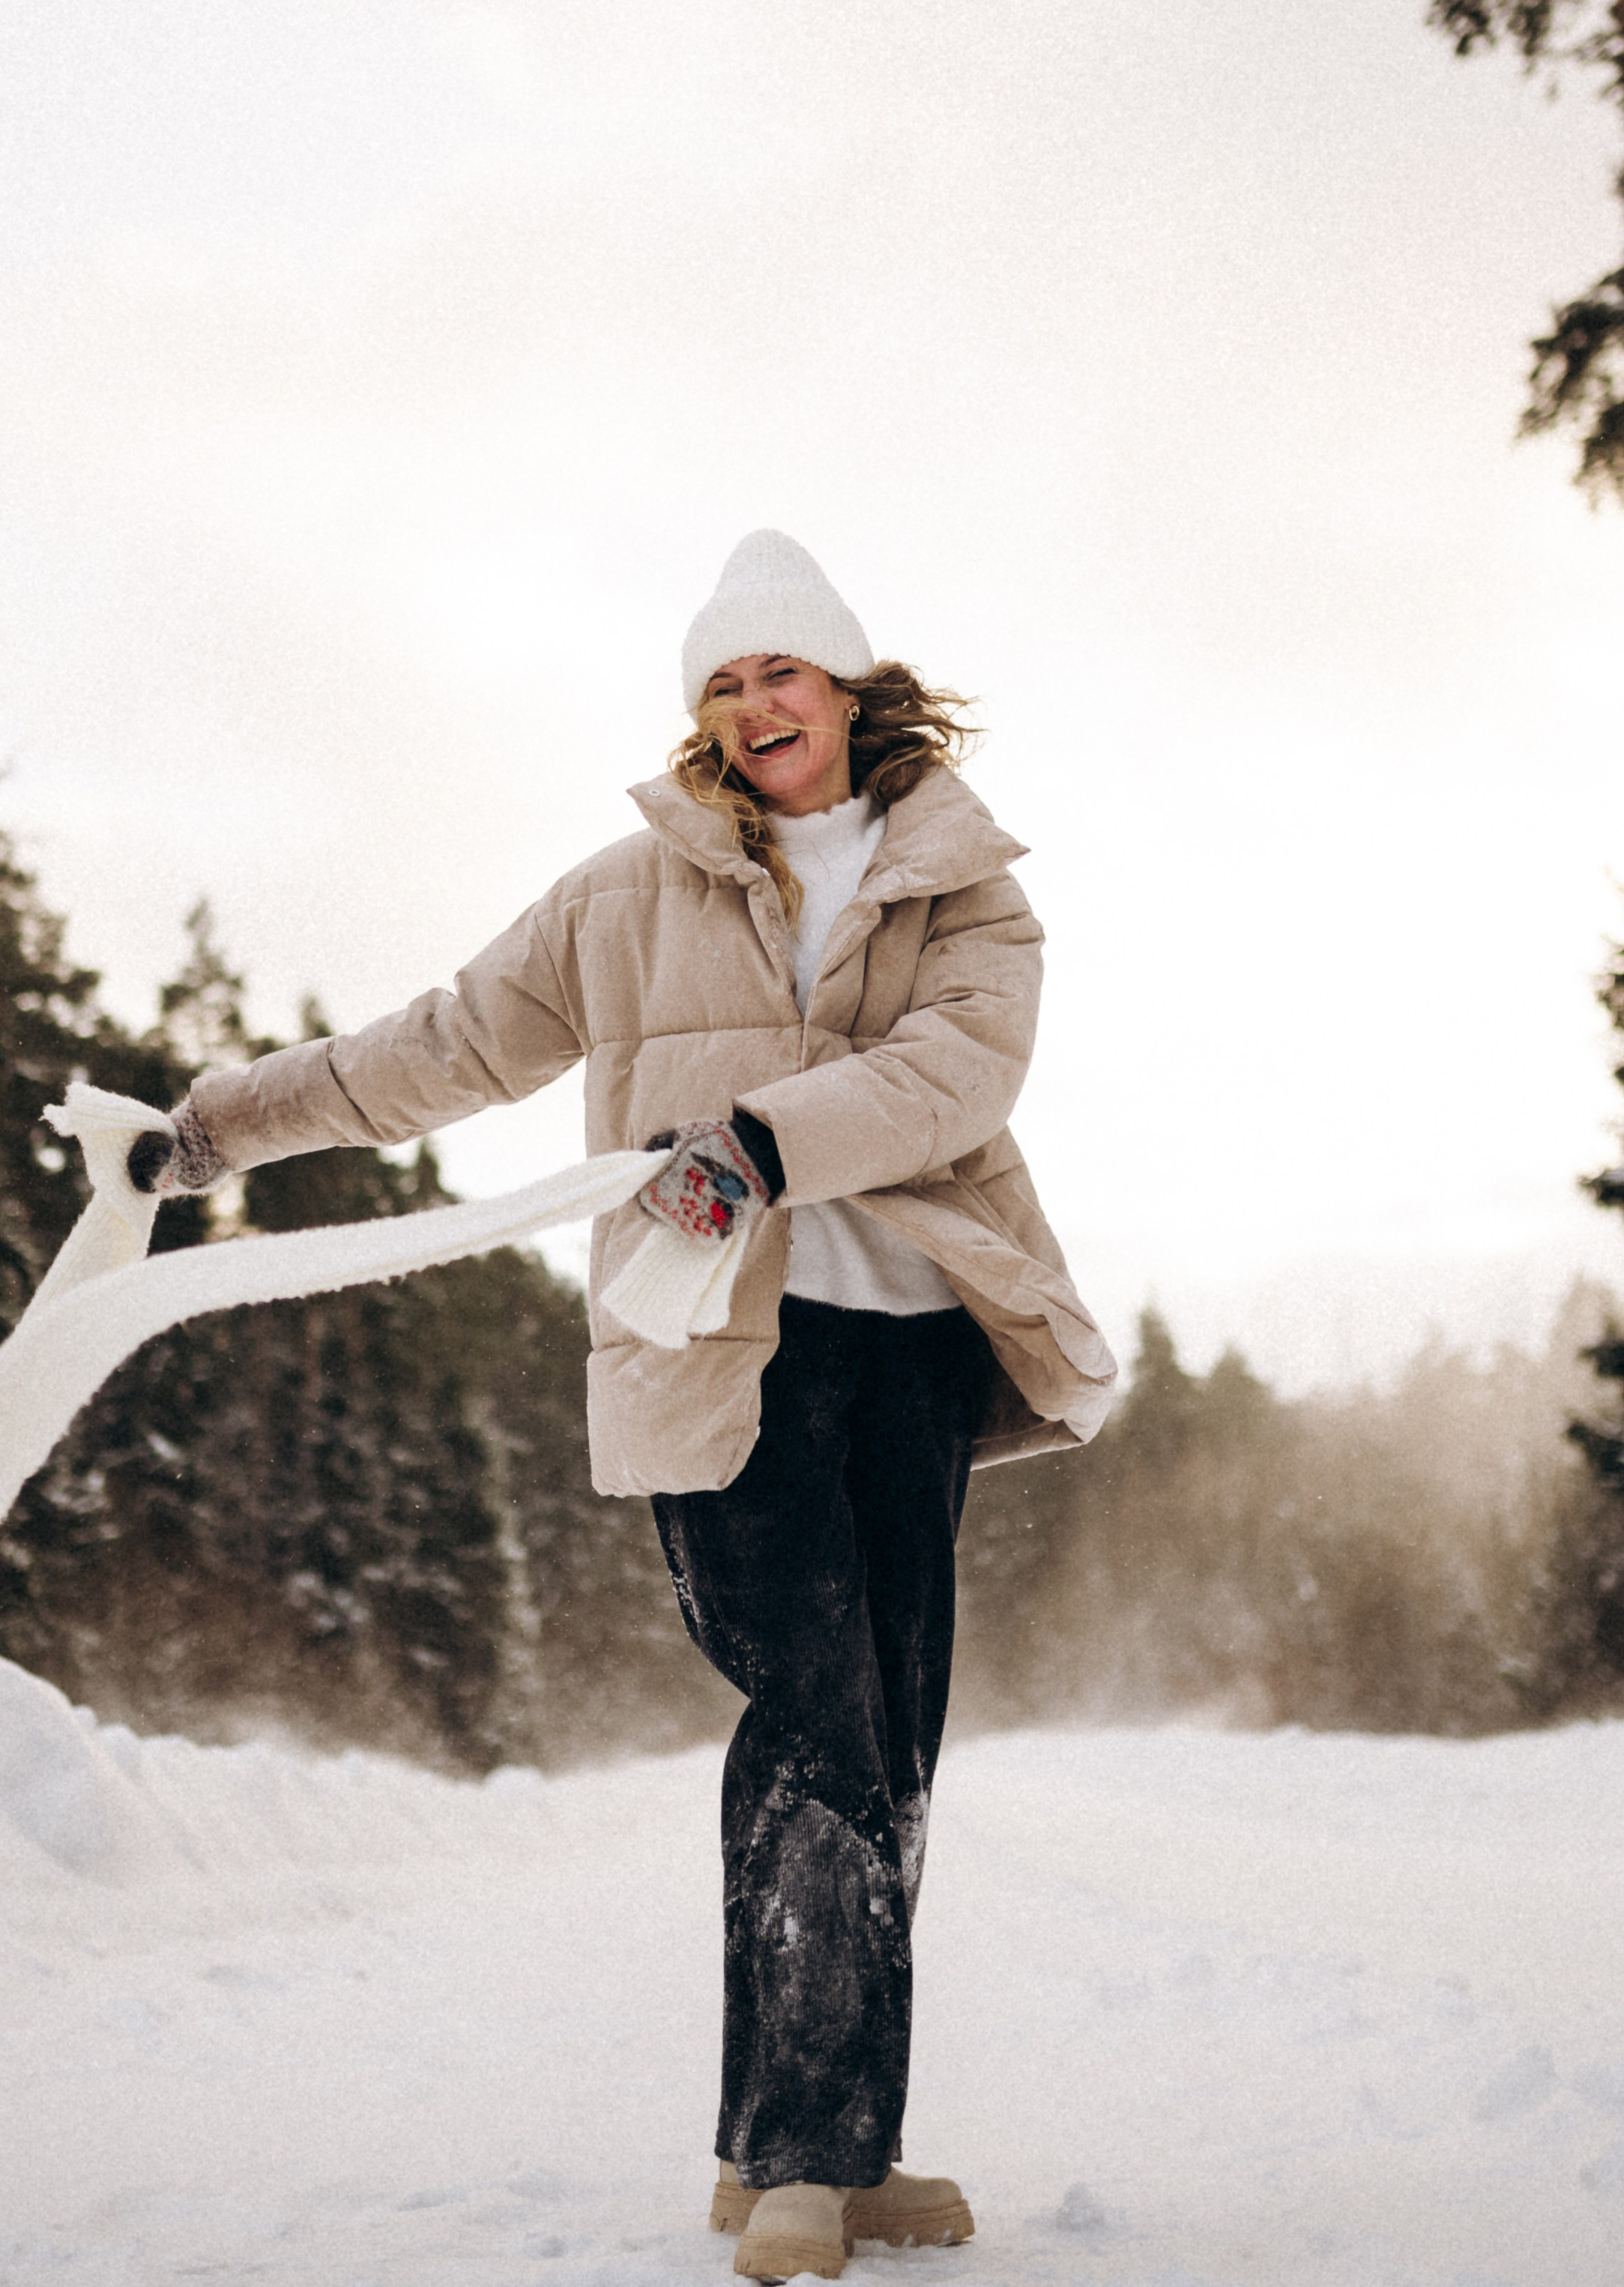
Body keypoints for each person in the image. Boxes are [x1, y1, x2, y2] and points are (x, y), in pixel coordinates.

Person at [130, 528, 1114, 2283]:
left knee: (883, 1741)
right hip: (718, 1351)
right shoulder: (622, 894)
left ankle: (800, 2149)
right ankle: (807, 2155)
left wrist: (760, 1137)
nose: (755, 707)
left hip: (906, 1348)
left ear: (851, 685)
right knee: (809, 1701)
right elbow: (439, 1043)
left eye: (782, 673)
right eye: (724, 683)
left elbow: (961, 1071)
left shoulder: (967, 882)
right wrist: (221, 1126)